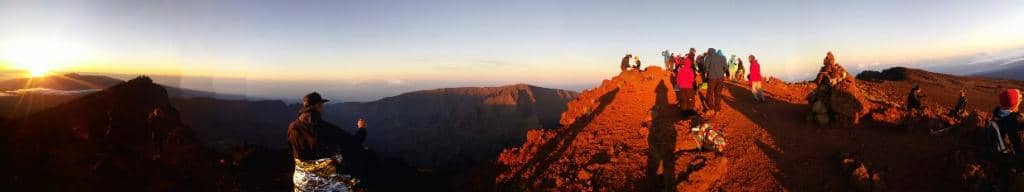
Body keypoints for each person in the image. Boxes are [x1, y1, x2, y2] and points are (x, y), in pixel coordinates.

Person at [288, 92, 367, 192]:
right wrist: (362, 129)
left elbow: (291, 147)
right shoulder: (325, 128)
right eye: (322, 105)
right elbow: (353, 143)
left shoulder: (292, 127)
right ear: (318, 106)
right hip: (324, 184)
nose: (323, 108)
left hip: (300, 182)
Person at [989, 89, 1023, 156]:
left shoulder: (998, 112)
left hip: (994, 146)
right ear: (1014, 105)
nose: (1021, 100)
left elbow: (1009, 100)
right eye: (1020, 99)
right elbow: (1016, 142)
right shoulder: (1013, 120)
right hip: (1005, 153)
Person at [705, 48, 728, 116]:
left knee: (710, 93)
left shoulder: (708, 57)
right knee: (718, 94)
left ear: (709, 52)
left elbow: (706, 68)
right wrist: (721, 72)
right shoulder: (722, 57)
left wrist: (709, 72)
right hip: (720, 78)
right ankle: (717, 110)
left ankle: (711, 108)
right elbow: (726, 67)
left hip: (712, 78)